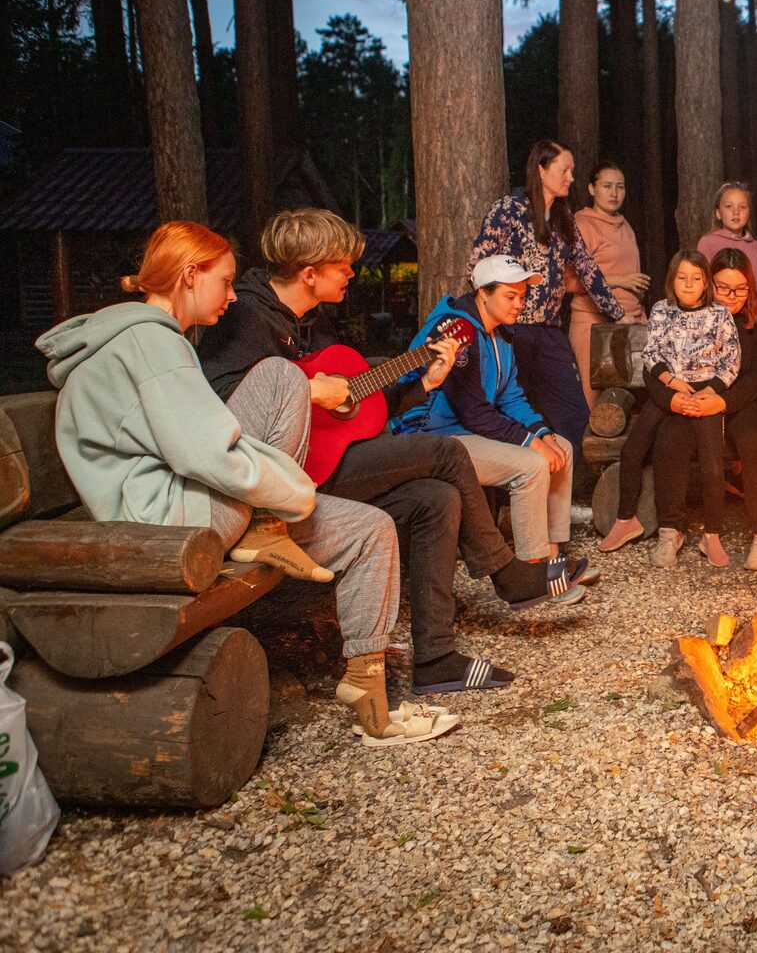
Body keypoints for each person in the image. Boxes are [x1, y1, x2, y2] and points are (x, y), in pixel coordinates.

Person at [38, 221, 453, 747]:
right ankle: (265, 521)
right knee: (282, 377)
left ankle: (369, 696)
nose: (233, 296)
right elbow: (208, 453)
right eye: (226, 280)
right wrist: (295, 492)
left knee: (372, 529)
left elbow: (206, 446)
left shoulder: (164, 342)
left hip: (204, 509)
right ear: (190, 275)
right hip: (166, 527)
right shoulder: (147, 343)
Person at [196, 209, 569, 696]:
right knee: (446, 452)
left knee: (438, 497)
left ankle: (435, 659)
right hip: (279, 482)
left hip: (323, 463)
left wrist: (426, 381)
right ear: (309, 274)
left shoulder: (312, 320)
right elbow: (222, 399)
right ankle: (508, 575)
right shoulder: (245, 315)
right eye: (343, 266)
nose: (353, 272)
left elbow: (359, 400)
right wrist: (308, 389)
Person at [393, 256, 591, 603]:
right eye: (510, 296)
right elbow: (472, 411)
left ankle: (552, 555)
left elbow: (511, 397)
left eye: (521, 296)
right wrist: (531, 445)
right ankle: (534, 574)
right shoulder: (457, 330)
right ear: (483, 293)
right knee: (530, 465)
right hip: (432, 435)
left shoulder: (499, 336)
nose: (519, 304)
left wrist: (542, 435)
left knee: (562, 447)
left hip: (469, 430)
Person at [471, 140, 624, 452]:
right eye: (563, 170)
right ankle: (508, 492)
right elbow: (477, 265)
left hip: (549, 332)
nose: (571, 177)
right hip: (510, 331)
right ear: (541, 170)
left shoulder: (564, 216)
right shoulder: (508, 209)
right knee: (511, 411)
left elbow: (586, 267)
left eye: (572, 170)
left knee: (574, 414)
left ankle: (574, 491)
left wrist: (617, 312)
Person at [597, 252, 741, 568]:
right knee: (633, 450)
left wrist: (710, 390)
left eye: (696, 278)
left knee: (713, 466)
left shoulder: (720, 315)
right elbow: (652, 354)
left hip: (706, 394)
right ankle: (626, 520)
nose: (689, 284)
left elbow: (731, 361)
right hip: (669, 390)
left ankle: (712, 535)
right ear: (672, 280)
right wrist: (672, 383)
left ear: (706, 283)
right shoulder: (662, 311)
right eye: (682, 277)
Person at [654, 247, 757, 571]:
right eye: (723, 287)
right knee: (671, 435)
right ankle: (671, 528)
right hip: (699, 396)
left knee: (755, 438)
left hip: (749, 400)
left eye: (740, 289)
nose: (731, 296)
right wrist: (679, 399)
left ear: (750, 287)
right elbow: (660, 360)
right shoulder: (693, 316)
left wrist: (724, 401)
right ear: (710, 284)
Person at [569, 162, 650, 410]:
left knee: (634, 401)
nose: (614, 193)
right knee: (594, 404)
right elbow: (569, 282)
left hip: (632, 320)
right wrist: (620, 281)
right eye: (607, 186)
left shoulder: (625, 225)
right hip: (593, 323)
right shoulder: (582, 224)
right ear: (592, 189)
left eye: (620, 187)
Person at [697, 182, 757, 308]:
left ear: (749, 213)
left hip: (753, 318)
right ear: (718, 213)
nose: (736, 212)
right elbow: (702, 285)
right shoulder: (707, 243)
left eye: (742, 207)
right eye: (728, 206)